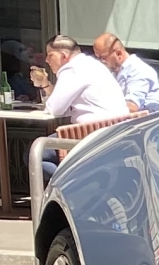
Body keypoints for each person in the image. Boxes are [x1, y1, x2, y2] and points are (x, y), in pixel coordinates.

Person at [29, 35, 130, 185]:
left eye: (50, 55)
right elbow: (65, 106)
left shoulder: (71, 69)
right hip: (113, 133)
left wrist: (45, 89)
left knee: (34, 154)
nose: (47, 60)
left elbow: (55, 109)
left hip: (89, 136)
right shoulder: (90, 64)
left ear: (63, 55)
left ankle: (74, 188)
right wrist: (45, 85)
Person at [92, 33, 159, 114]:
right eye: (98, 58)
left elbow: (132, 107)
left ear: (118, 54)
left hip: (146, 121)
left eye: (103, 58)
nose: (101, 62)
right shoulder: (114, 71)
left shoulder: (138, 70)